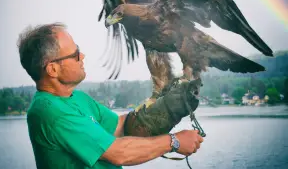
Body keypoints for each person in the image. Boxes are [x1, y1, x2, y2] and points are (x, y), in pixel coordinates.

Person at [17, 22, 204, 169]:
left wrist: (167, 107)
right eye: (74, 54)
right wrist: (174, 141)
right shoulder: (50, 112)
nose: (82, 56)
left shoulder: (78, 98)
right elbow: (118, 153)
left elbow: (120, 127)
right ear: (53, 69)